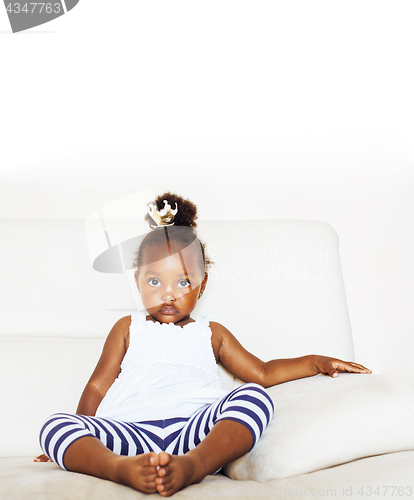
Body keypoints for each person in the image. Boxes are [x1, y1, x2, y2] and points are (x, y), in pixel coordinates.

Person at [35, 192, 372, 497]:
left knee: (254, 396)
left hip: (193, 433)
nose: (168, 294)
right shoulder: (128, 328)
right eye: (154, 281)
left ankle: (192, 467)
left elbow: (262, 372)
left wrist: (314, 362)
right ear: (137, 281)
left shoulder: (211, 333)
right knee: (55, 426)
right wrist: (83, 437)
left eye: (183, 282)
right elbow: (97, 384)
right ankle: (119, 469)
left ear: (202, 284)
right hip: (128, 433)